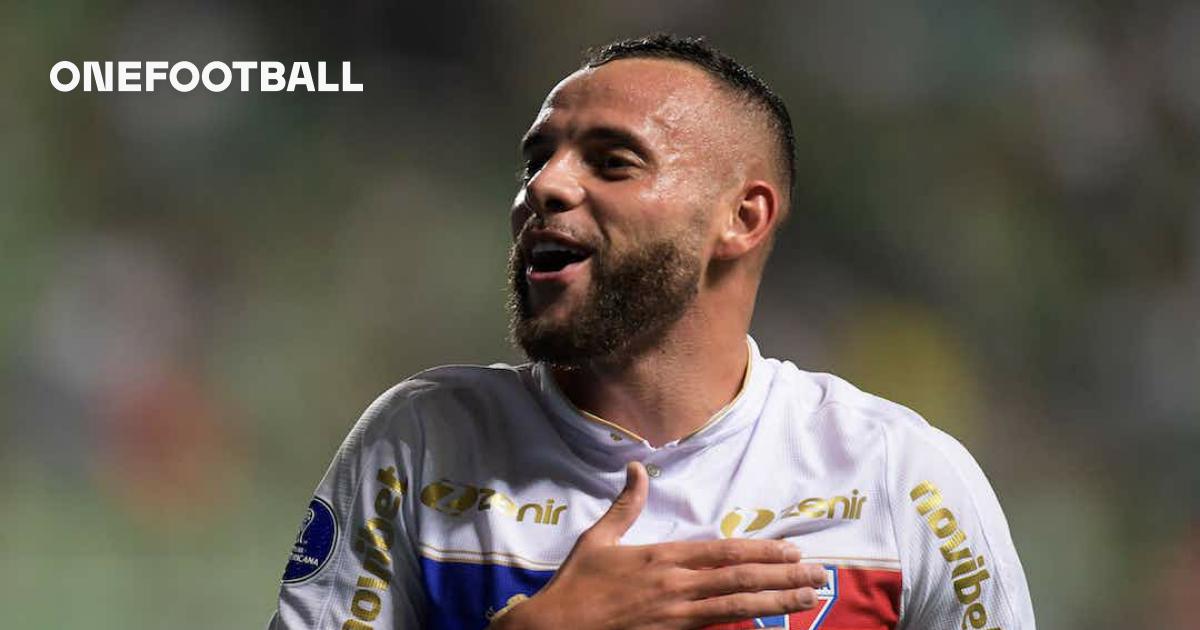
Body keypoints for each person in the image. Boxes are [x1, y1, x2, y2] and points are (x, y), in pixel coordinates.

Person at [268, 34, 1036, 630]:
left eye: (612, 161)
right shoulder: (421, 442)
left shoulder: (902, 479)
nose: (545, 185)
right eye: (536, 159)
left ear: (742, 218)